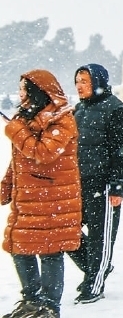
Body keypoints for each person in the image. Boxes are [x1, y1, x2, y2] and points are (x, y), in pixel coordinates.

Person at [3, 71, 81, 318]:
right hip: (28, 199)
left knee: (50, 251)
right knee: (19, 247)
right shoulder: (25, 118)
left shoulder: (62, 120)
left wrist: (14, 129)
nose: (21, 93)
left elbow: (43, 153)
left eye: (24, 88)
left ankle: (49, 306)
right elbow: (18, 160)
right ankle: (31, 300)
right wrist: (5, 187)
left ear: (38, 91)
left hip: (52, 200)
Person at [67, 64, 123, 305]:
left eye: (84, 80)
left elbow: (122, 152)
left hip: (104, 185)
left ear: (98, 82)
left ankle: (94, 284)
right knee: (67, 231)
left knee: (100, 238)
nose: (79, 85)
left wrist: (117, 186)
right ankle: (96, 267)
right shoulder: (78, 111)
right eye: (77, 81)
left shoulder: (117, 110)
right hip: (78, 183)